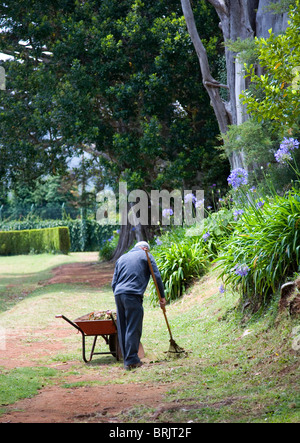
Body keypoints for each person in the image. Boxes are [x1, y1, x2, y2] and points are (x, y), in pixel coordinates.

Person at [112, 241, 166, 370]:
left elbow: (114, 282)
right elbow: (156, 276)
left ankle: (127, 360)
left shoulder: (122, 257)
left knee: (123, 326)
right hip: (133, 294)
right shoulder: (146, 255)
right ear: (144, 248)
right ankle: (132, 360)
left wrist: (118, 294)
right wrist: (162, 297)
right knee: (133, 326)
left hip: (119, 294)